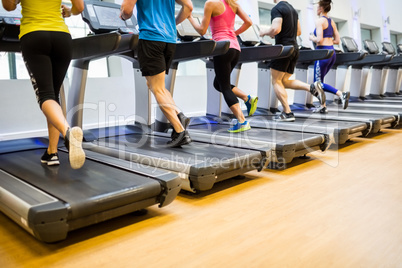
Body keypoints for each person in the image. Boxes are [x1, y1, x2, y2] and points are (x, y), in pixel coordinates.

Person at [2, 0, 86, 169]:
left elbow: (9, 6)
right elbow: (80, 7)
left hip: (34, 35)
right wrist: (69, 12)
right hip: (62, 38)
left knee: (46, 96)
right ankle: (52, 152)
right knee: (53, 96)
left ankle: (68, 133)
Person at [120, 0, 193, 146]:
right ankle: (178, 115)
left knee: (157, 88)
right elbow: (189, 7)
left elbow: (127, 11)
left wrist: (122, 16)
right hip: (170, 39)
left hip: (151, 37)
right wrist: (173, 23)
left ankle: (180, 132)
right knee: (155, 85)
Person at [188, 0, 258, 133]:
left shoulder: (211, 3)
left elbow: (202, 30)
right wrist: (233, 34)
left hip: (222, 48)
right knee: (218, 84)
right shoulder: (233, 3)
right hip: (235, 48)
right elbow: (248, 22)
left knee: (224, 87)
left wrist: (190, 18)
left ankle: (242, 121)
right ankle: (247, 98)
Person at [259, 0, 326, 122]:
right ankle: (311, 87)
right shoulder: (293, 10)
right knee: (284, 81)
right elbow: (298, 32)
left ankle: (287, 113)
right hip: (294, 48)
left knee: (276, 81)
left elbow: (275, 29)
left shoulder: (277, 8)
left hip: (283, 49)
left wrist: (264, 32)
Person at [309, 0, 350, 113]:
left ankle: (341, 94)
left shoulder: (319, 21)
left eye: (318, 7)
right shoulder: (332, 22)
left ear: (321, 8)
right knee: (320, 82)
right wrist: (328, 40)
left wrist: (312, 38)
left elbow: (319, 40)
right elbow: (337, 40)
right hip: (332, 53)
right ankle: (323, 106)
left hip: (322, 54)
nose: (316, 9)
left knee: (316, 83)